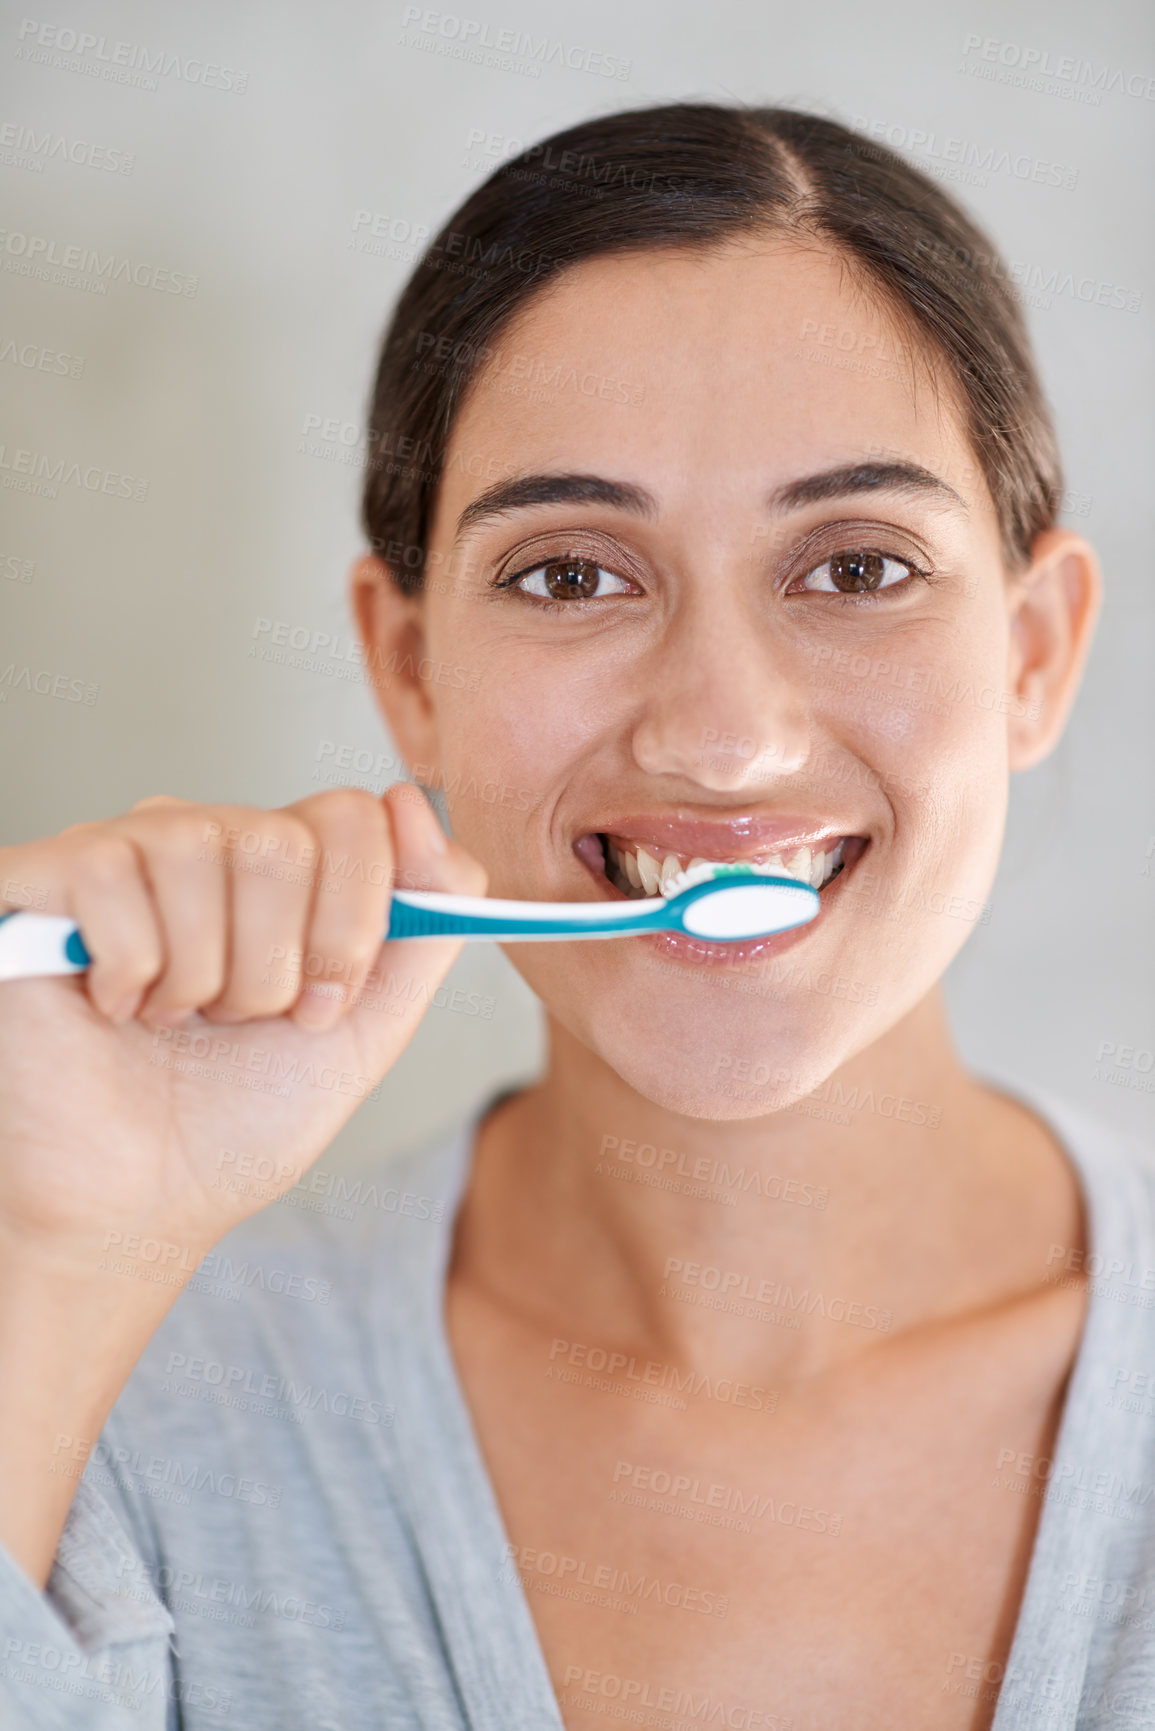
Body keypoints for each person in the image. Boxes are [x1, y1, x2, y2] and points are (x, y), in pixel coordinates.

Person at [0, 102, 1146, 1731]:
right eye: (569, 576)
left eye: (860, 568)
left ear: (1034, 652)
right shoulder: (109, 1402)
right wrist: (60, 1260)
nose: (722, 731)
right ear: (409, 670)